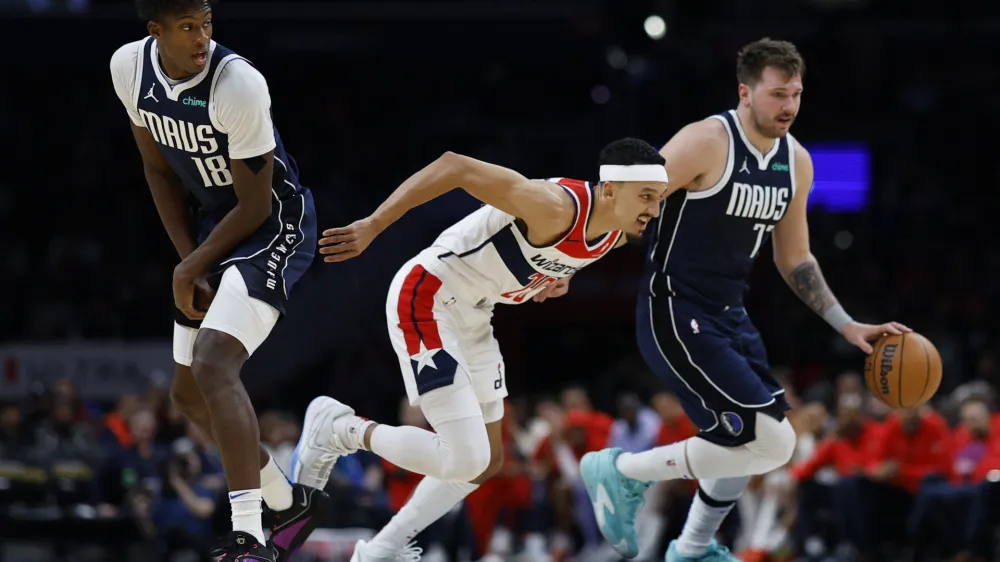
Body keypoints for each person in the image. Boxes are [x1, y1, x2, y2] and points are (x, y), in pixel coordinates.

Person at [579, 38, 910, 561]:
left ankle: (692, 548)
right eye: (778, 94)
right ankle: (619, 472)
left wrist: (847, 325)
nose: (789, 107)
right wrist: (562, 264)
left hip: (731, 315)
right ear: (745, 93)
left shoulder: (796, 162)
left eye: (797, 94)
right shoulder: (706, 141)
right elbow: (627, 200)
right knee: (772, 441)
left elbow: (795, 258)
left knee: (745, 441)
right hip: (675, 309)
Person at [290, 138, 669, 561]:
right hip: (428, 296)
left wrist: (559, 279)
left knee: (487, 461)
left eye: (658, 198)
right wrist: (374, 224)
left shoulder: (615, 235)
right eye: (647, 196)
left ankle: (382, 548)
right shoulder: (552, 205)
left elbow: (564, 257)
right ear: (611, 189)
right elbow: (455, 166)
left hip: (476, 316)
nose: (654, 209)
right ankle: (339, 430)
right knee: (466, 458)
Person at [109, 1, 326, 559]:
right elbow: (157, 169)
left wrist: (191, 265)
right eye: (186, 27)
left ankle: (250, 535)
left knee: (212, 364)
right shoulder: (129, 69)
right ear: (155, 31)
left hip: (273, 223)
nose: (202, 37)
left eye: (207, 23)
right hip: (211, 230)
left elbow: (255, 204)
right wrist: (192, 262)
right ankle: (288, 500)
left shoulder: (240, 84)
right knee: (187, 395)